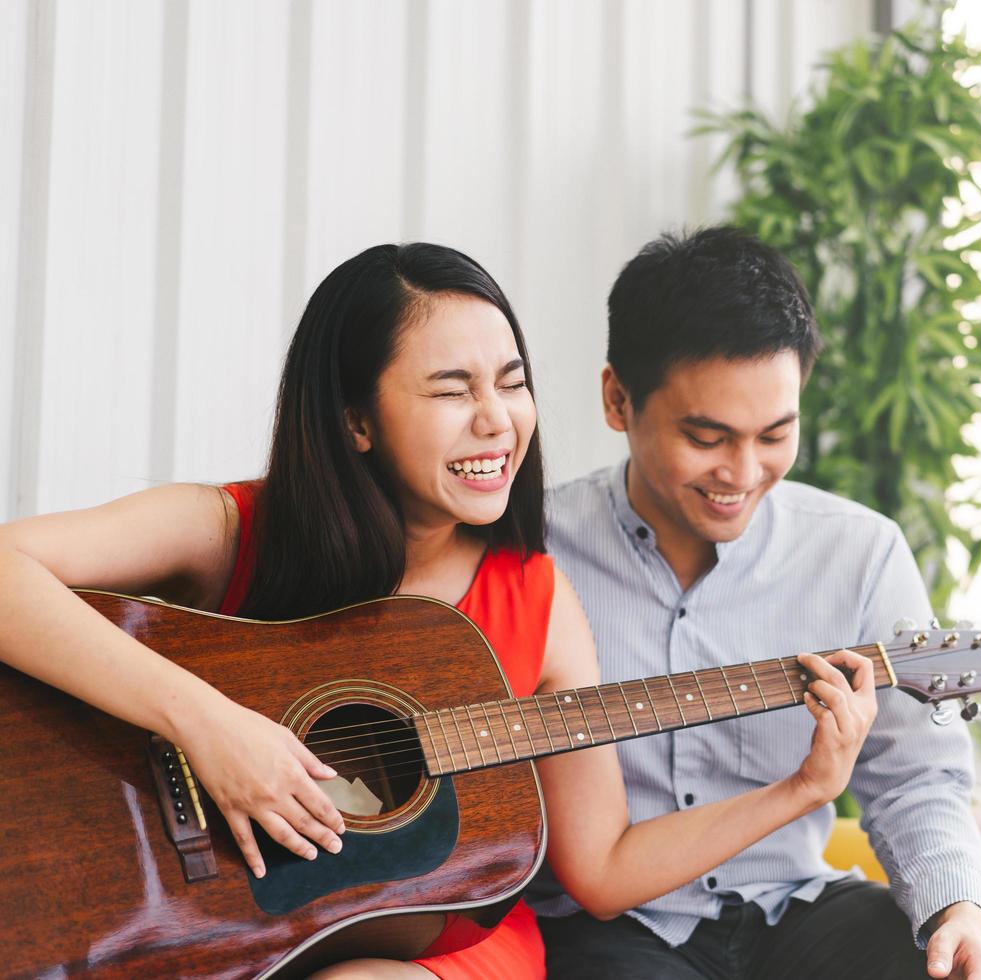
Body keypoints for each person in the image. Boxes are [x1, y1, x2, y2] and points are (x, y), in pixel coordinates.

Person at [0, 242, 881, 980]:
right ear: (356, 420)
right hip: (203, 914)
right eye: (453, 390)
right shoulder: (234, 526)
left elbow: (605, 869)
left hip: (441, 948)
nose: (497, 421)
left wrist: (804, 788)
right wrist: (212, 728)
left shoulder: (537, 597)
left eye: (511, 382)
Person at [530, 227, 981, 980]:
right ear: (618, 399)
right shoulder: (532, 554)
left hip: (795, 908)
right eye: (707, 437)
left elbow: (916, 775)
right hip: (608, 931)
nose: (741, 472)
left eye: (776, 434)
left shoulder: (859, 554)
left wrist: (955, 906)